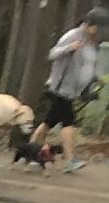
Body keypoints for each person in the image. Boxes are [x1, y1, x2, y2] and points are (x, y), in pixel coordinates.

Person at [40, 8, 105, 172]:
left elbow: (86, 64)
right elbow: (52, 54)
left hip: (73, 90)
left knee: (49, 122)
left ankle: (32, 151)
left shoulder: (91, 42)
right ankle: (70, 160)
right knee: (68, 122)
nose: (100, 32)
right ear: (89, 24)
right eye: (98, 27)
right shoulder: (73, 36)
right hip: (61, 87)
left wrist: (95, 78)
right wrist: (69, 48)